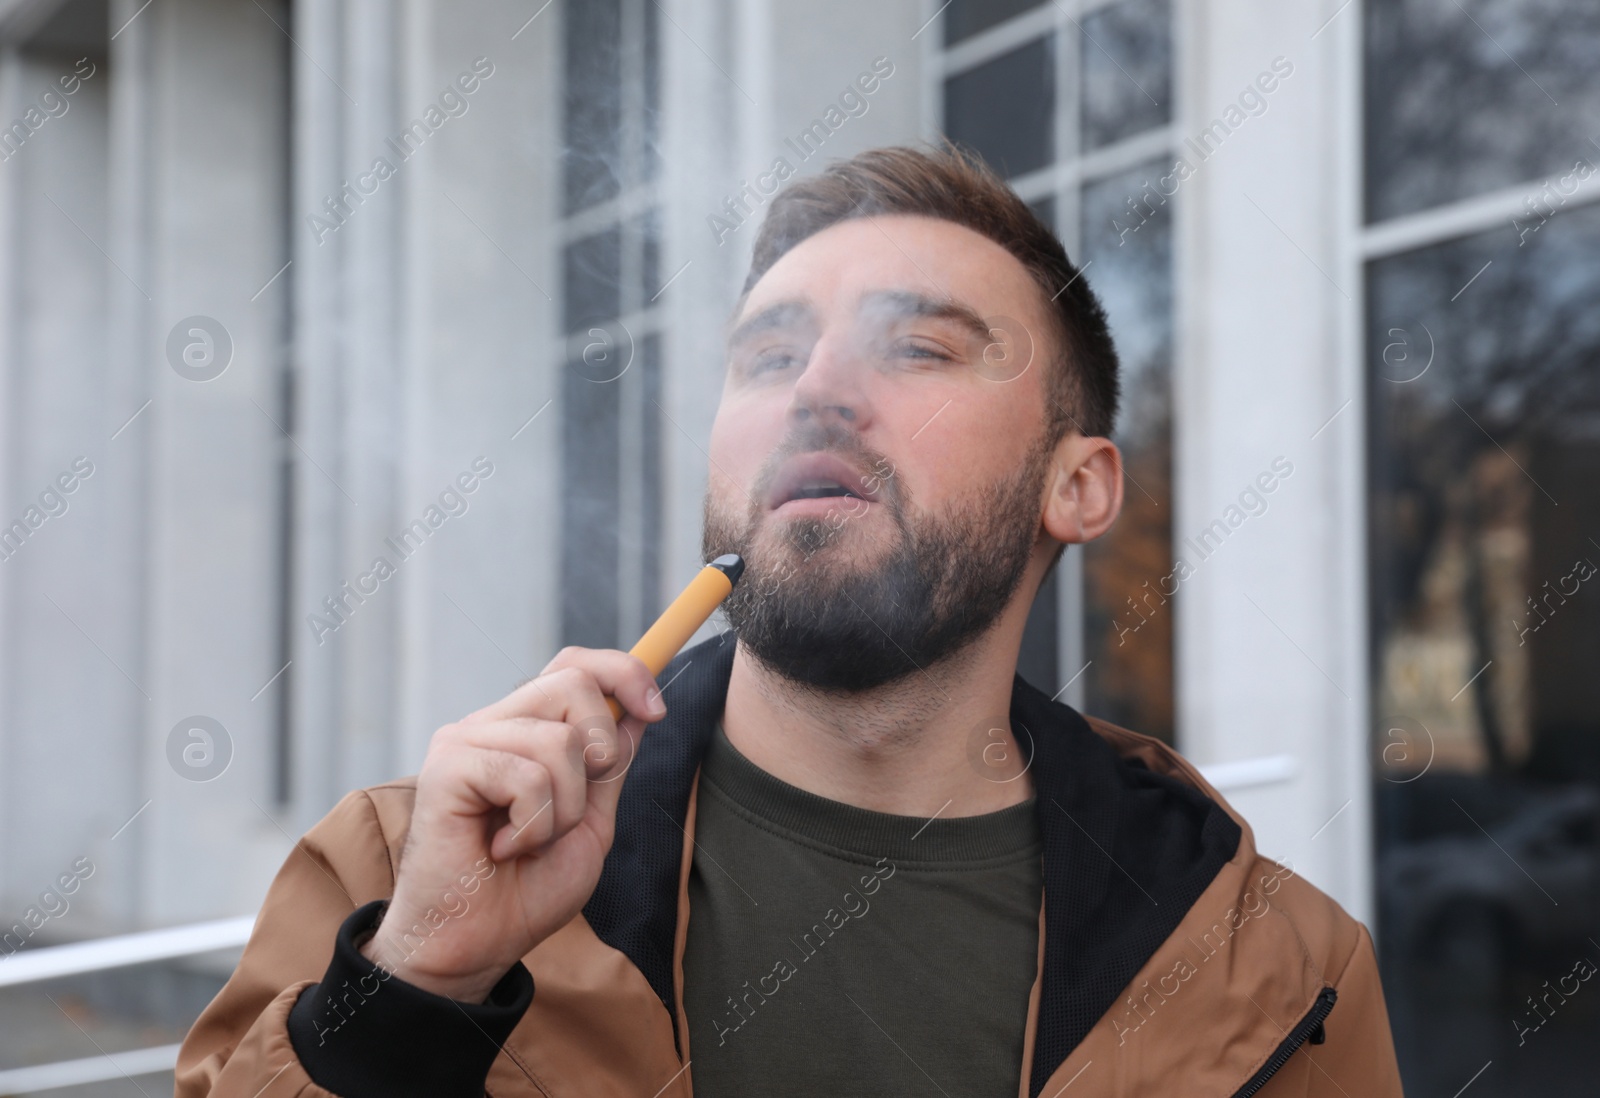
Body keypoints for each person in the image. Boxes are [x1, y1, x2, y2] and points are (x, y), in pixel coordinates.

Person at [175, 144, 1402, 1097]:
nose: (817, 389)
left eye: (917, 346)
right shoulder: (394, 879)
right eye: (768, 358)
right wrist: (409, 994)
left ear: (1075, 485)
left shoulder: (1281, 968)